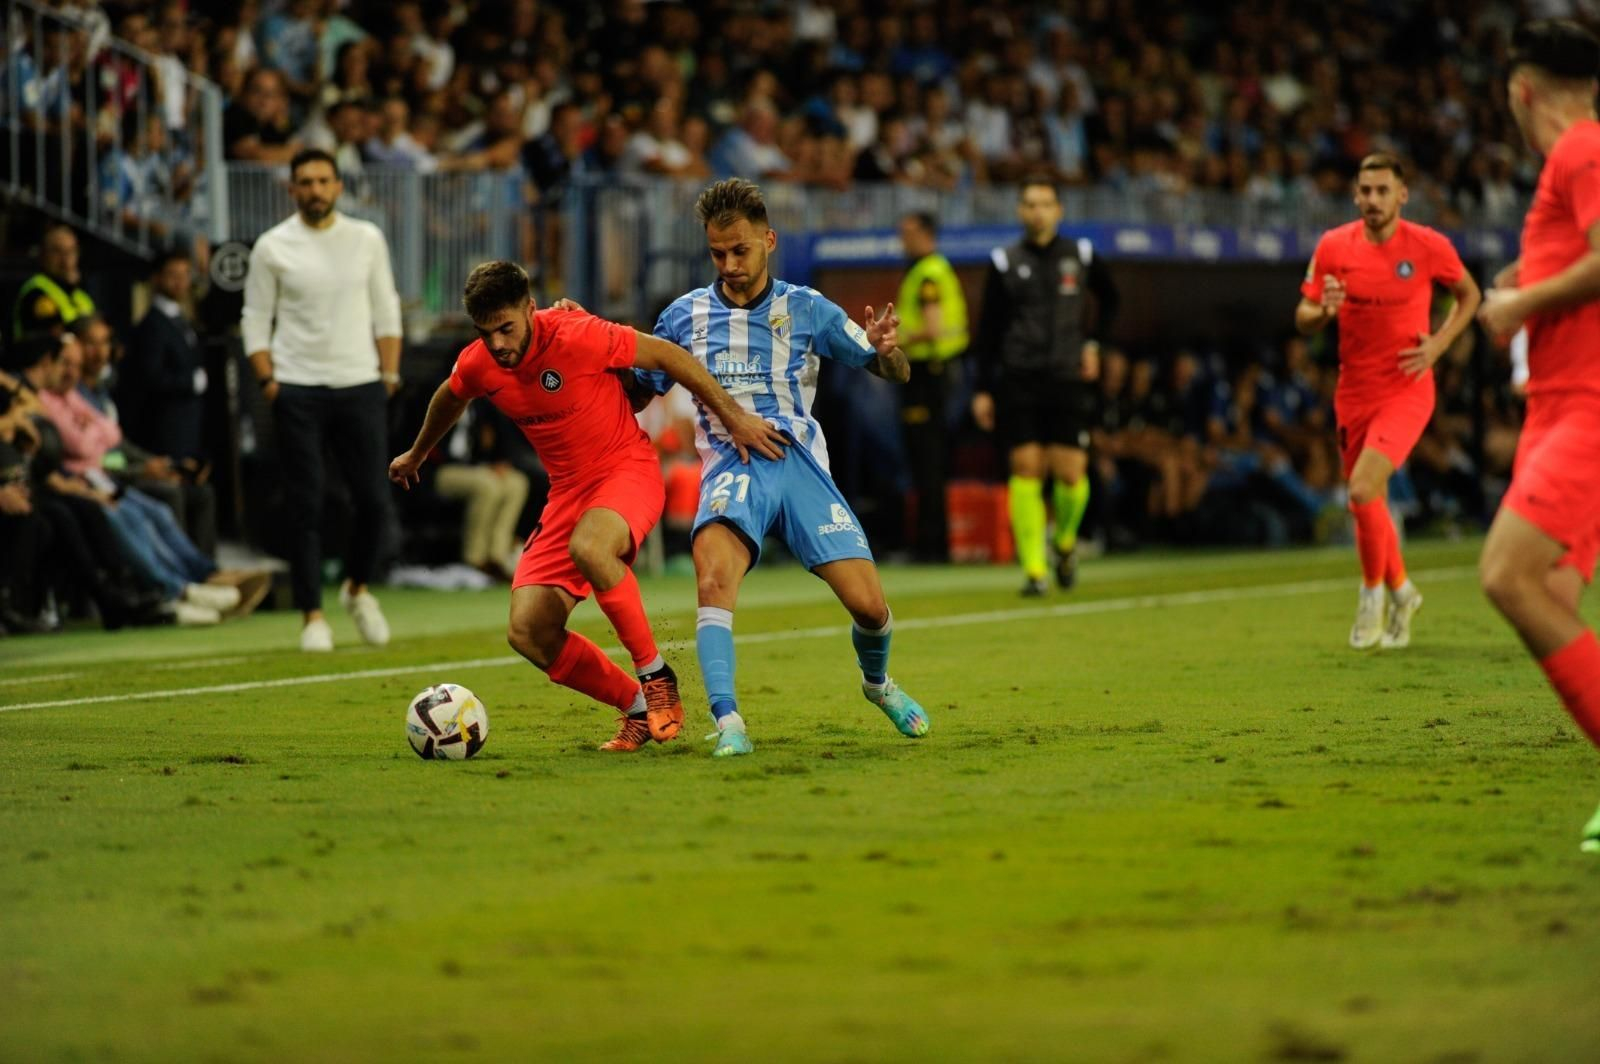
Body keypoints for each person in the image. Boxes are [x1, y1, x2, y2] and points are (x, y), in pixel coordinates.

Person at [391, 260, 783, 752]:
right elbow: (451, 396)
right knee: (528, 630)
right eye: (485, 333)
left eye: (506, 328)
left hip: (626, 471)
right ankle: (638, 709)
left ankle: (657, 677)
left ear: (530, 309)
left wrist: (735, 416)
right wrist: (417, 452)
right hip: (567, 494)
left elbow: (668, 356)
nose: (497, 344)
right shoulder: (480, 361)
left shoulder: (577, 333)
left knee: (592, 548)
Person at [628, 177, 931, 757]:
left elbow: (892, 372)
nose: (729, 264)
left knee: (870, 607)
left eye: (740, 250)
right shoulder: (683, 316)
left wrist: (888, 351)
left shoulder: (807, 308)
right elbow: (639, 389)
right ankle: (729, 723)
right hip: (732, 465)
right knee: (713, 578)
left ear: (768, 240)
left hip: (799, 466)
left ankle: (878, 685)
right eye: (717, 253)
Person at [1475, 19, 1600, 854]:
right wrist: (1529, 276)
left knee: (1507, 576)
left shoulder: (1581, 149)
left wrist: (1517, 304)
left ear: (1522, 90)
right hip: (1555, 404)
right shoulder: (1576, 160)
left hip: (1587, 404)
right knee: (1549, 598)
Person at [1296, 152, 1481, 649]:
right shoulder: (1335, 246)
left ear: (1402, 195)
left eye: (1383, 191)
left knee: (1361, 488)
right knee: (1366, 503)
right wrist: (1323, 312)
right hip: (1353, 391)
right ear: (1355, 195)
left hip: (1407, 386)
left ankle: (1373, 594)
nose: (1373, 200)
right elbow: (1303, 314)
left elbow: (1470, 295)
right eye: (1365, 191)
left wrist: (1439, 345)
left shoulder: (1426, 245)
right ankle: (1403, 592)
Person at [241, 148, 403, 652]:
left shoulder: (366, 238)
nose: (314, 189)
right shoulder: (271, 246)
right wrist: (270, 382)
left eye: (323, 180)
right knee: (305, 505)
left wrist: (389, 373)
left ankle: (356, 588)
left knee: (375, 502)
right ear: (291, 189)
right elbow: (253, 319)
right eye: (305, 181)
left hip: (360, 384)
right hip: (298, 388)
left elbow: (386, 309)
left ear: (338, 186)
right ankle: (312, 615)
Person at [971, 179, 1119, 595]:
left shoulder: (1082, 255)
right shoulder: (1004, 261)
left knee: (1071, 473)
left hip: (1067, 375)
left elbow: (1111, 301)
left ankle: (1066, 541)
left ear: (1059, 211)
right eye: (1030, 204)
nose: (1037, 211)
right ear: (1020, 211)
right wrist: (983, 388)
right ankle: (1035, 571)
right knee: (1027, 469)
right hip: (1019, 377)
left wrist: (1095, 345)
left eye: (1045, 204)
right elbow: (989, 329)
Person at [896, 211, 968, 562]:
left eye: (908, 232)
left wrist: (895, 339)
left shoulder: (928, 274)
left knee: (928, 461)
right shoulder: (932, 270)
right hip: (936, 373)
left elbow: (933, 327)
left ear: (926, 233)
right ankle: (932, 543)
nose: (902, 239)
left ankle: (932, 546)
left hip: (929, 375)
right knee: (928, 460)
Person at [12, 224, 96, 340]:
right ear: (44, 254)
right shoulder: (36, 291)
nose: (66, 258)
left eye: (71, 250)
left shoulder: (82, 296)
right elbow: (55, 336)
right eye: (57, 251)